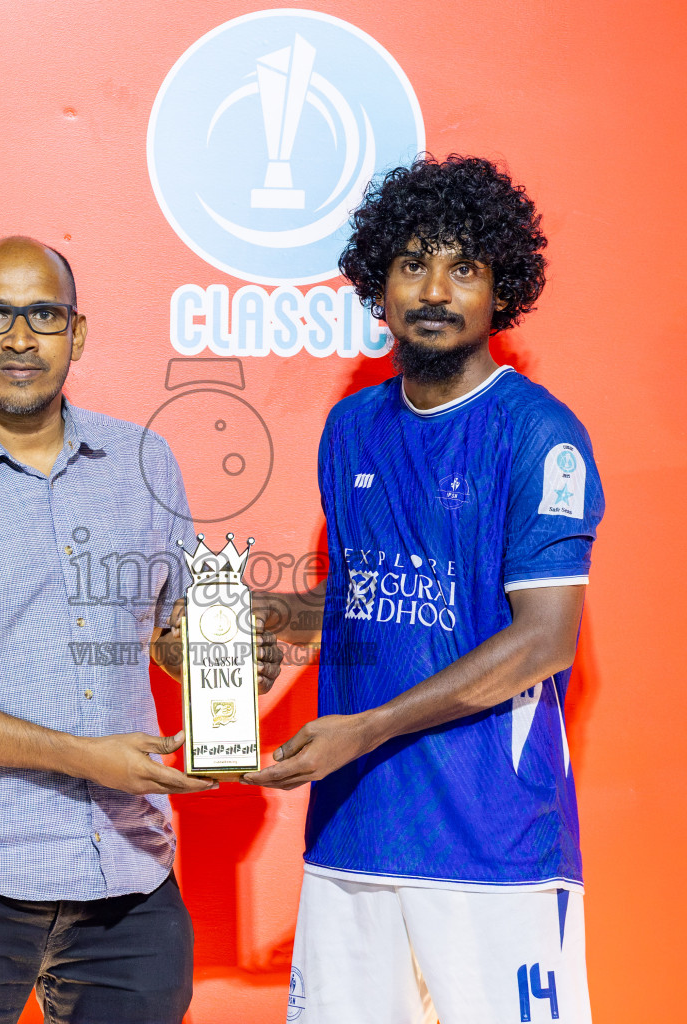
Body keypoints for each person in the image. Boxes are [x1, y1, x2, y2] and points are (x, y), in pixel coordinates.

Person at [0, 236, 280, 1024]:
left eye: (44, 314)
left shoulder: (144, 460)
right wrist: (81, 757)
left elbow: (174, 634)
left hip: (128, 873)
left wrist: (236, 658)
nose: (19, 338)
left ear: (77, 334)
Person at [245, 156, 603, 1024]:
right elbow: (374, 596)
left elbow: (543, 640)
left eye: (462, 267)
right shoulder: (350, 426)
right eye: (413, 264)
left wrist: (363, 729)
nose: (434, 289)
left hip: (491, 846)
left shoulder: (540, 435)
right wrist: (281, 618)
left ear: (499, 289)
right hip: (354, 835)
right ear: (380, 281)